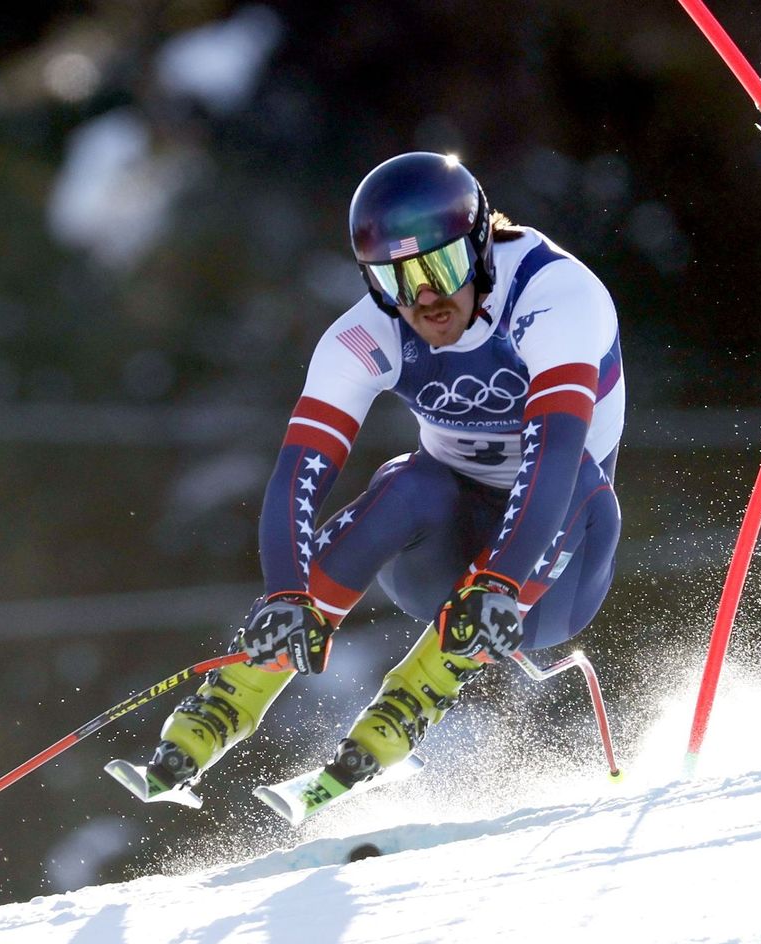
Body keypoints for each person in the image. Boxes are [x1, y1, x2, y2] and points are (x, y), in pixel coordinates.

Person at [129, 151, 625, 799]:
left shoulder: (555, 294)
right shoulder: (367, 333)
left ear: (479, 248)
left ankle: (417, 696)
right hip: (440, 558)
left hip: (557, 568)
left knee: (580, 474)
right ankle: (232, 698)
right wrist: (285, 594)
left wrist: (502, 579)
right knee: (407, 481)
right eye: (396, 279)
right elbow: (299, 470)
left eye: (440, 267)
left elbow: (557, 453)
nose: (424, 298)